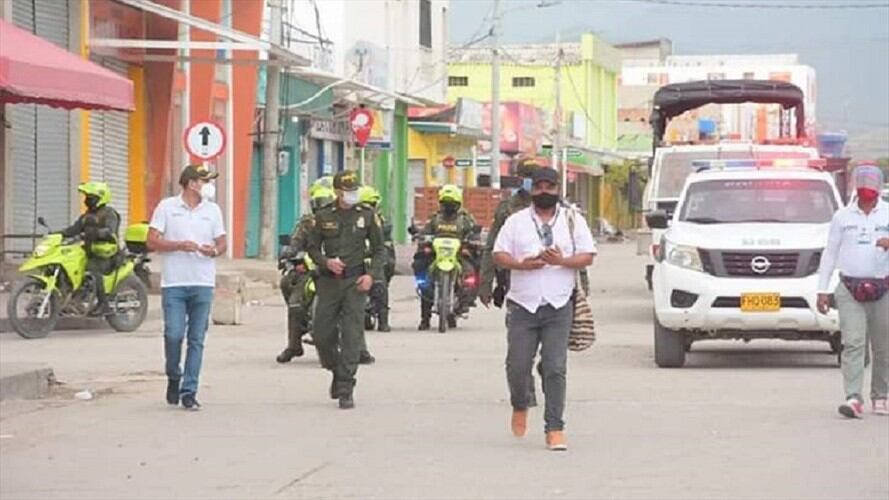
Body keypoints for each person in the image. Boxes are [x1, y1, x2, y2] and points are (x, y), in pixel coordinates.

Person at [493, 167, 596, 451]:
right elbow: (499, 254)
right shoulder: (516, 221)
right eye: (538, 186)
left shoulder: (573, 220)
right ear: (531, 190)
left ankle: (555, 428)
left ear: (557, 189)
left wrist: (562, 261)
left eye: (549, 186)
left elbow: (588, 256)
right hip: (522, 304)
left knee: (555, 367)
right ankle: (520, 403)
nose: (544, 191)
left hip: (559, 304)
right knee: (518, 366)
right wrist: (521, 265)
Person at [147, 164, 226, 411]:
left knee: (197, 339)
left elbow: (222, 241)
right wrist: (179, 245)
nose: (207, 186)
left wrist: (212, 250)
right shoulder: (167, 207)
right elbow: (152, 240)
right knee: (173, 334)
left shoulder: (212, 210)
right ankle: (173, 374)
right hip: (175, 283)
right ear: (191, 183)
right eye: (204, 181)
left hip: (202, 281)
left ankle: (189, 391)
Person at [305, 170, 386, 409]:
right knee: (321, 334)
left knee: (352, 336)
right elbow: (312, 248)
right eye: (348, 190)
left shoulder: (367, 216)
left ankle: (346, 387)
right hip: (329, 282)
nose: (353, 194)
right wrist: (326, 261)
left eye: (355, 190)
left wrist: (371, 275)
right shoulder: (322, 216)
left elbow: (380, 250)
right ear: (338, 192)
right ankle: (336, 370)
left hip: (356, 283)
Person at [816, 165, 889, 419]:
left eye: (871, 182)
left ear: (879, 187)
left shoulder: (888, 214)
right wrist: (822, 290)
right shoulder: (842, 217)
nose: (866, 188)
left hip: (883, 288)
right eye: (862, 182)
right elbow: (830, 253)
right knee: (854, 343)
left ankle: (881, 396)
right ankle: (853, 397)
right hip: (849, 288)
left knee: (883, 346)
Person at [276, 180, 336, 363]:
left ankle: (358, 347)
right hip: (312, 271)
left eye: (325, 202)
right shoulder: (307, 223)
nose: (321, 207)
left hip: (337, 271)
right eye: (318, 203)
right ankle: (294, 345)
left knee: (354, 304)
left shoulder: (343, 221)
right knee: (292, 294)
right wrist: (289, 255)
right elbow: (295, 243)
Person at [412, 184, 480, 330]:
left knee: (474, 268)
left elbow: (475, 233)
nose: (448, 207)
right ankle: (425, 318)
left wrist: (472, 242)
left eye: (452, 204)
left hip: (458, 254)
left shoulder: (466, 219)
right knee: (420, 269)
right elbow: (425, 232)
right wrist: (422, 239)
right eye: (445, 203)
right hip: (437, 254)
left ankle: (465, 301)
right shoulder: (435, 219)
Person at [61, 182, 121, 316]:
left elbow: (110, 230)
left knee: (92, 269)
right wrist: (58, 234)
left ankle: (103, 304)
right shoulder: (87, 215)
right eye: (87, 197)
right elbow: (74, 229)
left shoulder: (110, 214)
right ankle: (71, 299)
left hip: (107, 255)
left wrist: (97, 233)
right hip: (89, 251)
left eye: (91, 197)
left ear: (101, 198)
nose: (87, 200)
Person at [359, 185, 396, 332]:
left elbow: (385, 241)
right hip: (354, 257)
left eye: (371, 205)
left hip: (374, 257)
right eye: (365, 204)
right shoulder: (350, 218)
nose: (368, 208)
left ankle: (383, 320)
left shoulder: (380, 220)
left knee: (380, 282)